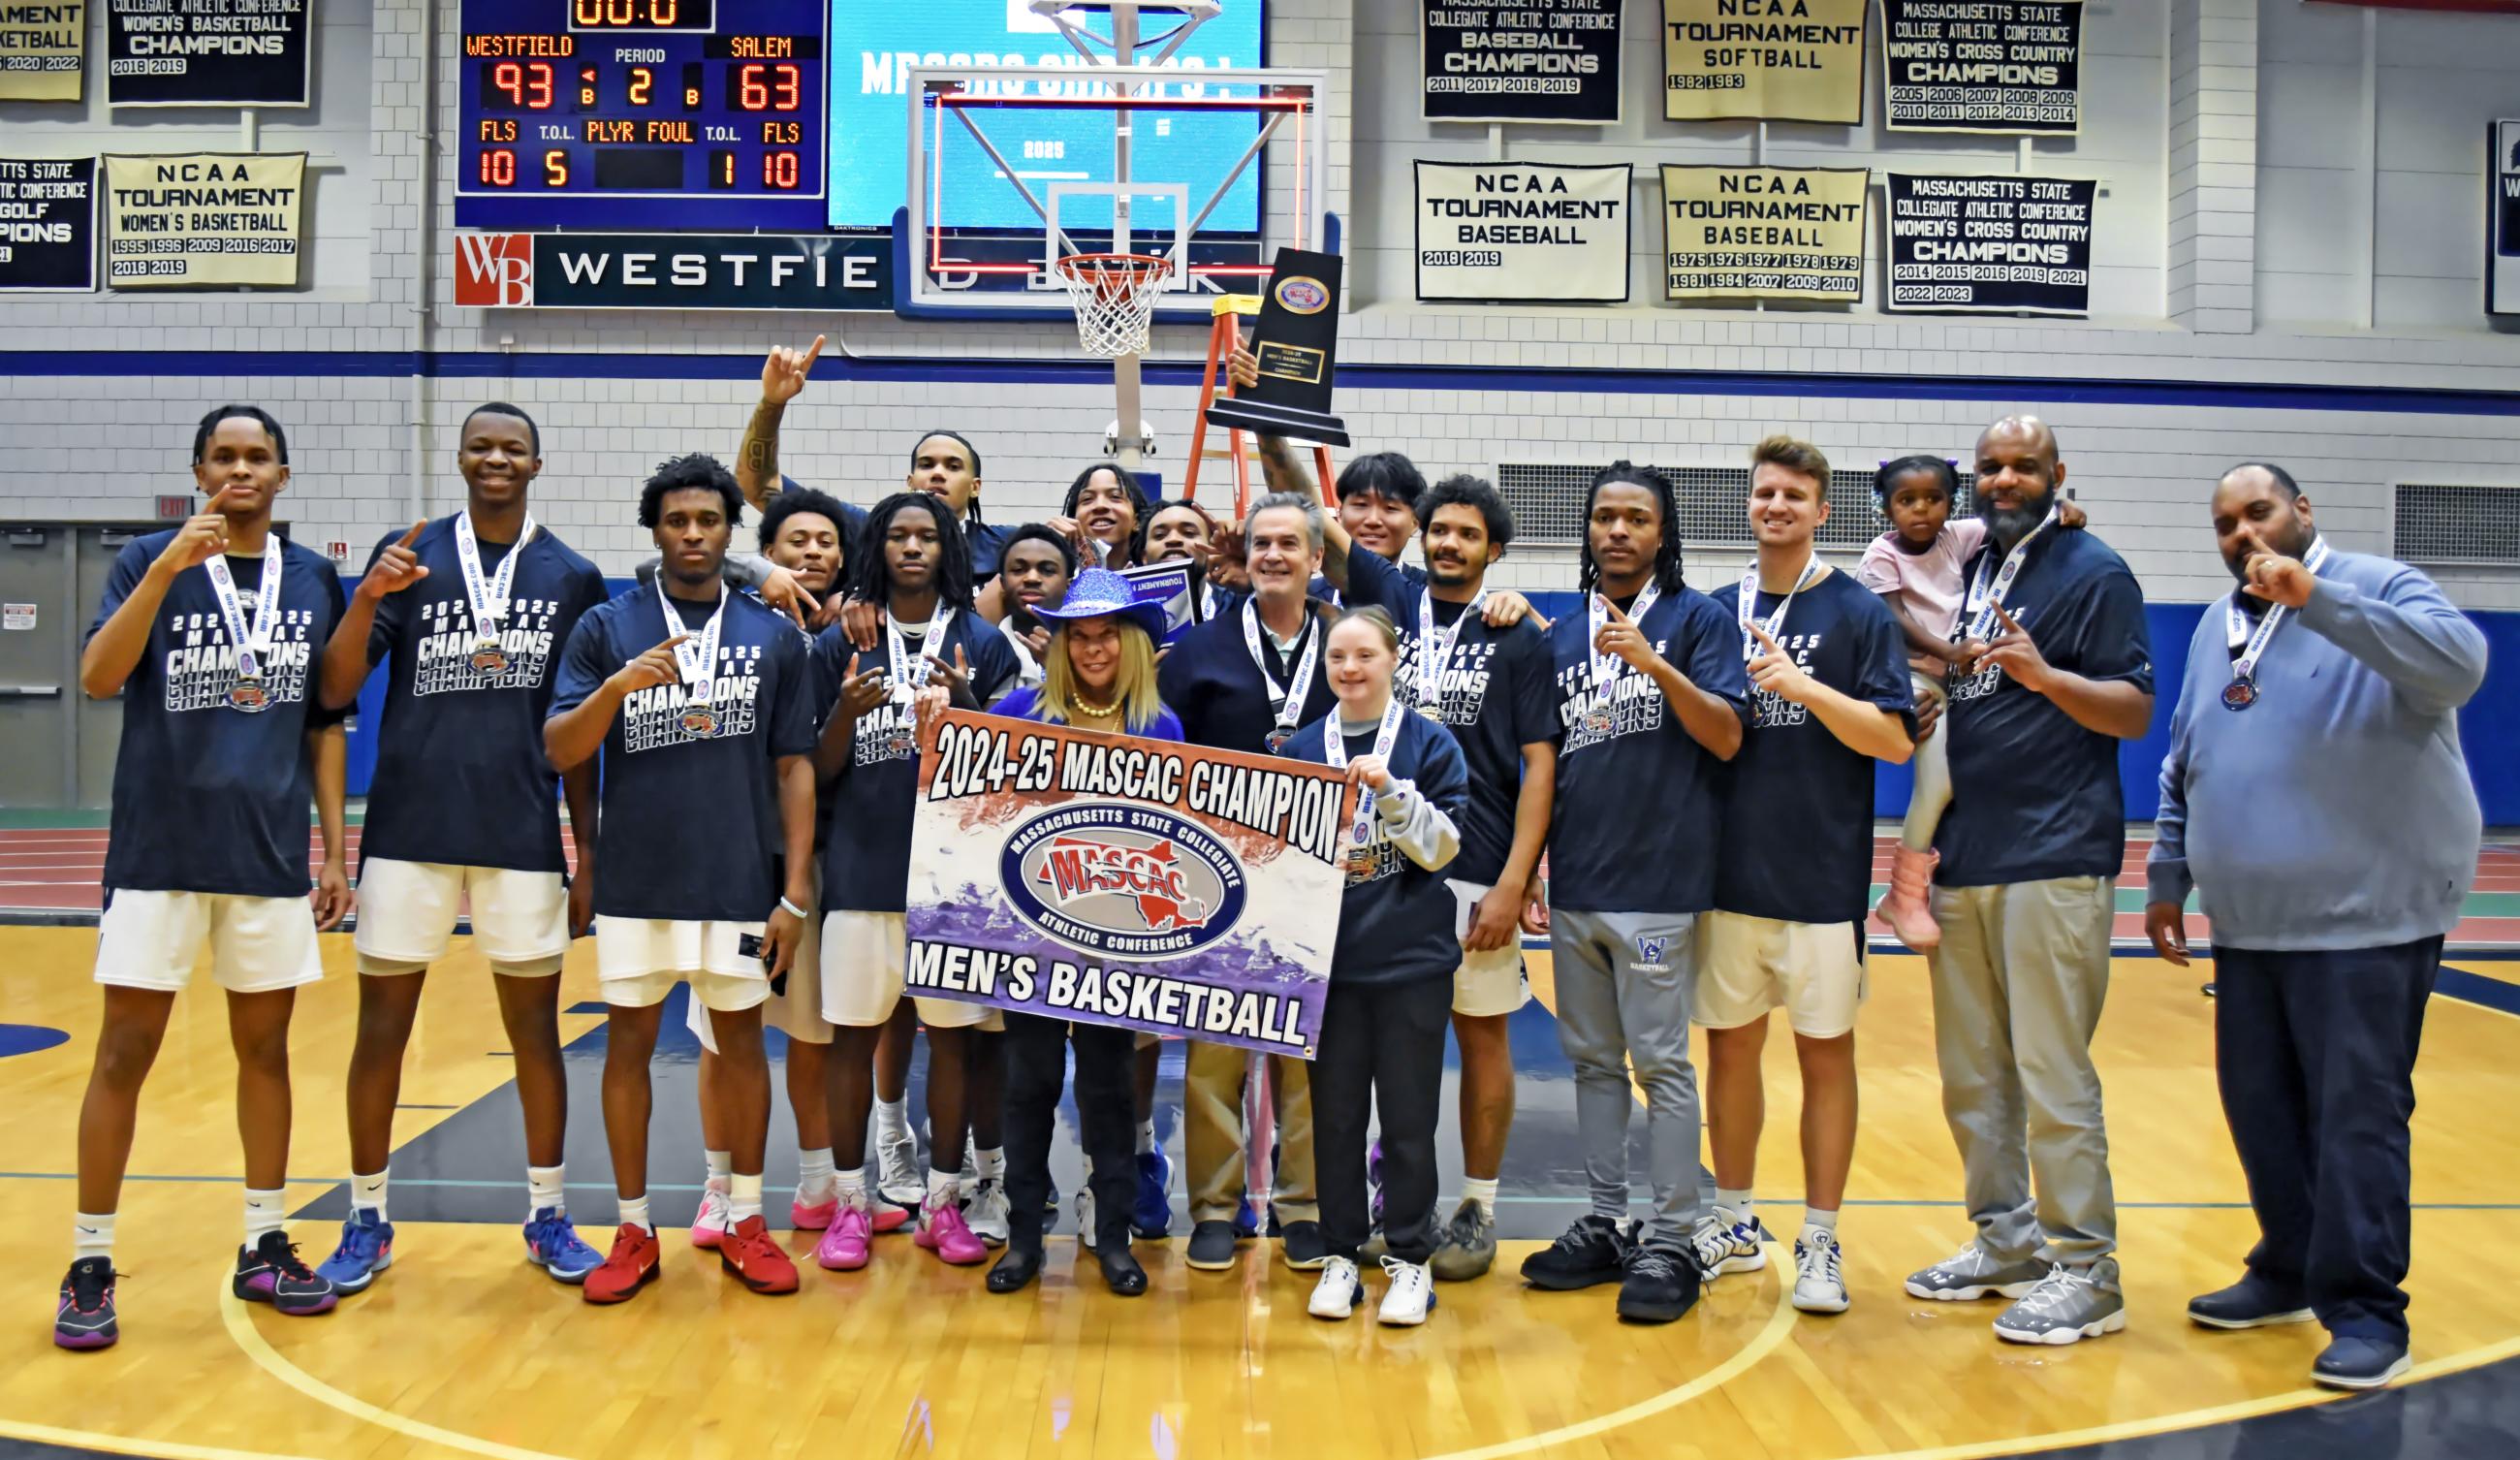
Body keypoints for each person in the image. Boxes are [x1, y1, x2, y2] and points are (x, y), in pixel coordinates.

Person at [2148, 463, 2485, 1390]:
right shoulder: (2219, 631)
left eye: (2257, 512)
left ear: (2302, 511)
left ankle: (2370, 1309)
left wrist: (2318, 598)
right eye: (2223, 522)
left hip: (2369, 920)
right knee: (2263, 1115)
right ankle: (2289, 1265)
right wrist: (2171, 869)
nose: (2242, 533)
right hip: (2252, 925)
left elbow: (2459, 667)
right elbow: (2188, 756)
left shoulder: (2380, 585)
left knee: (2356, 1120)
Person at [58, 406, 352, 1349]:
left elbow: (322, 724)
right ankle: (90, 1259)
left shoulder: (311, 579)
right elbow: (101, 677)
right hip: (159, 853)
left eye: (257, 456)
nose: (240, 469)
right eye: (223, 456)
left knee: (265, 1055)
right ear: (197, 470)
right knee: (121, 1056)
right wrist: (162, 573)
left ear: (283, 475)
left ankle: (264, 1242)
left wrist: (335, 849)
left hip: (265, 858)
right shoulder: (149, 559)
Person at [308, 401, 611, 1296]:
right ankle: (366, 1217)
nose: (495, 459)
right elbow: (335, 683)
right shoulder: (411, 557)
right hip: (410, 832)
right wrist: (368, 597)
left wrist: (588, 850)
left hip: (522, 833)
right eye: (480, 445)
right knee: (382, 1035)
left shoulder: (573, 576)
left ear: (537, 462)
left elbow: (581, 728)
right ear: (460, 456)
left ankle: (548, 1214)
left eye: (512, 447)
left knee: (536, 1040)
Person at [1269, 453, 1557, 1283]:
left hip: (1477, 863)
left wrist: (1513, 879)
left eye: (1469, 534)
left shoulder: (1517, 631)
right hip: (1378, 878)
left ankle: (1478, 1204)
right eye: (1440, 531)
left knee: (1481, 1034)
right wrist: (1271, 415)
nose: (1451, 544)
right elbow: (1317, 510)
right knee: (1382, 1060)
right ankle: (1381, 1215)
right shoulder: (1394, 605)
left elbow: (1541, 764)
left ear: (1494, 549)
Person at [543, 454, 819, 1305]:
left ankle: (744, 1219)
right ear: (654, 530)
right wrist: (619, 688)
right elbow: (561, 750)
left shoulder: (773, 634)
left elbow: (795, 768)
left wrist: (795, 893)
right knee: (625, 1051)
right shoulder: (607, 627)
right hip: (636, 881)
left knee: (741, 1050)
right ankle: (632, 1227)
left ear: (731, 532)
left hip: (737, 880)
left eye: (708, 521)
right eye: (676, 521)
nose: (692, 535)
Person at [1904, 416, 2153, 1347]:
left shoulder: (2097, 574)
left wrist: (2046, 678)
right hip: (1970, 856)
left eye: (2024, 467)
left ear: (2058, 474)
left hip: (2056, 856)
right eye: (1991, 468)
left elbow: (2132, 710)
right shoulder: (1975, 569)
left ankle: (2088, 1269)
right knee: (1974, 1074)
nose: (2004, 481)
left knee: (2052, 1072)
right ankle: (2007, 1243)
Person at [1517, 461, 1747, 1326]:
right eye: (1604, 517)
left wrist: (1656, 667)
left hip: (1658, 882)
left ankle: (1675, 1235)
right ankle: (1610, 1219)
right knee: (1589, 1062)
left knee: (1661, 1064)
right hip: (1578, 882)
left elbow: (1727, 737)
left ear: (1663, 533)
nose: (1617, 531)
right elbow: (1541, 762)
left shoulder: (1697, 620)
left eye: (1636, 519)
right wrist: (1535, 866)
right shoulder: (1559, 634)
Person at [1695, 437, 1916, 1317]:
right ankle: (1734, 1219)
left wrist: (1804, 688)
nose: (1776, 506)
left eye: (1794, 495)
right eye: (1764, 494)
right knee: (1730, 1051)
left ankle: (1820, 1235)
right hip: (1726, 877)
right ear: (1749, 507)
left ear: (1823, 511)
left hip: (1821, 879)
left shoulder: (1860, 614)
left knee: (1828, 1058)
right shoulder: (1714, 610)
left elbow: (1895, 740)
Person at [813, 492, 1021, 1270]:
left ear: (949, 548)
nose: (910, 548)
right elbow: (818, 769)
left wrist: (966, 709)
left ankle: (941, 1202)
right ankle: (851, 1203)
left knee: (956, 1042)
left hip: (955, 884)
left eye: (925, 536)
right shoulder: (842, 642)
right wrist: (842, 714)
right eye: (895, 536)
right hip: (864, 874)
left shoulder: (982, 642)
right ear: (877, 548)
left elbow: (1011, 774)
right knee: (852, 1040)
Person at [981, 567, 1181, 1298]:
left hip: (1118, 942)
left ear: (1130, 643)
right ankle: (1025, 1236)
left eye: (1106, 636)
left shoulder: (1161, 725)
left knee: (1108, 1091)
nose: (1093, 649)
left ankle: (1113, 1236)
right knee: (1028, 1085)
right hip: (1030, 937)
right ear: (1061, 644)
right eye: (1079, 636)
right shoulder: (1017, 711)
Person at [1155, 492, 1338, 1274]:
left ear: (1315, 560)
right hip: (1214, 878)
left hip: (1315, 875)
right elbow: (1163, 755)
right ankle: (1216, 1210)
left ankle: (1302, 1208)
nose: (1272, 556)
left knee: (1303, 1055)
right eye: (1261, 543)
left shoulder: (1347, 643)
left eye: (1288, 545)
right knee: (1215, 1056)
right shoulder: (1198, 649)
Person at [1281, 608, 1470, 1326]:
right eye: (1338, 656)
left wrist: (1392, 793)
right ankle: (1339, 1255)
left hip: (1411, 964)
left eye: (1366, 655)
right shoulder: (1302, 748)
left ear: (1395, 660)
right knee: (1333, 1119)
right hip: (1330, 970)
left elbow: (1444, 849)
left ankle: (1410, 1259)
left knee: (1408, 1120)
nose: (1351, 668)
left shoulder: (1430, 743)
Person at [677, 487, 855, 1248]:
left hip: (812, 864)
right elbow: (699, 553)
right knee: (725, 1037)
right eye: (794, 542)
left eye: (825, 542)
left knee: (812, 1035)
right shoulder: (725, 618)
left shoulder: (854, 630)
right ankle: (719, 1188)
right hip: (736, 861)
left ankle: (820, 1185)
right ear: (769, 557)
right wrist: (749, 565)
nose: (811, 551)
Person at [1860, 458, 2083, 950]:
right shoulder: (1880, 555)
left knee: (1983, 772)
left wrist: (2058, 511)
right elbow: (1893, 620)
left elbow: (2016, 522)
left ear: (1951, 502)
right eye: (1906, 500)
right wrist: (1947, 652)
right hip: (1914, 675)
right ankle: (1903, 893)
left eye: (1933, 498)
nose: (1921, 509)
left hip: (1964, 677)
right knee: (1937, 784)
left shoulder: (1959, 535)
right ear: (1886, 508)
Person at [993, 524, 1077, 694]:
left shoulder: (1088, 647)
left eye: (1047, 570)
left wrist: (1059, 669)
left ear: (1068, 586)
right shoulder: (983, 647)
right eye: (1018, 570)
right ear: (1002, 583)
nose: (1032, 578)